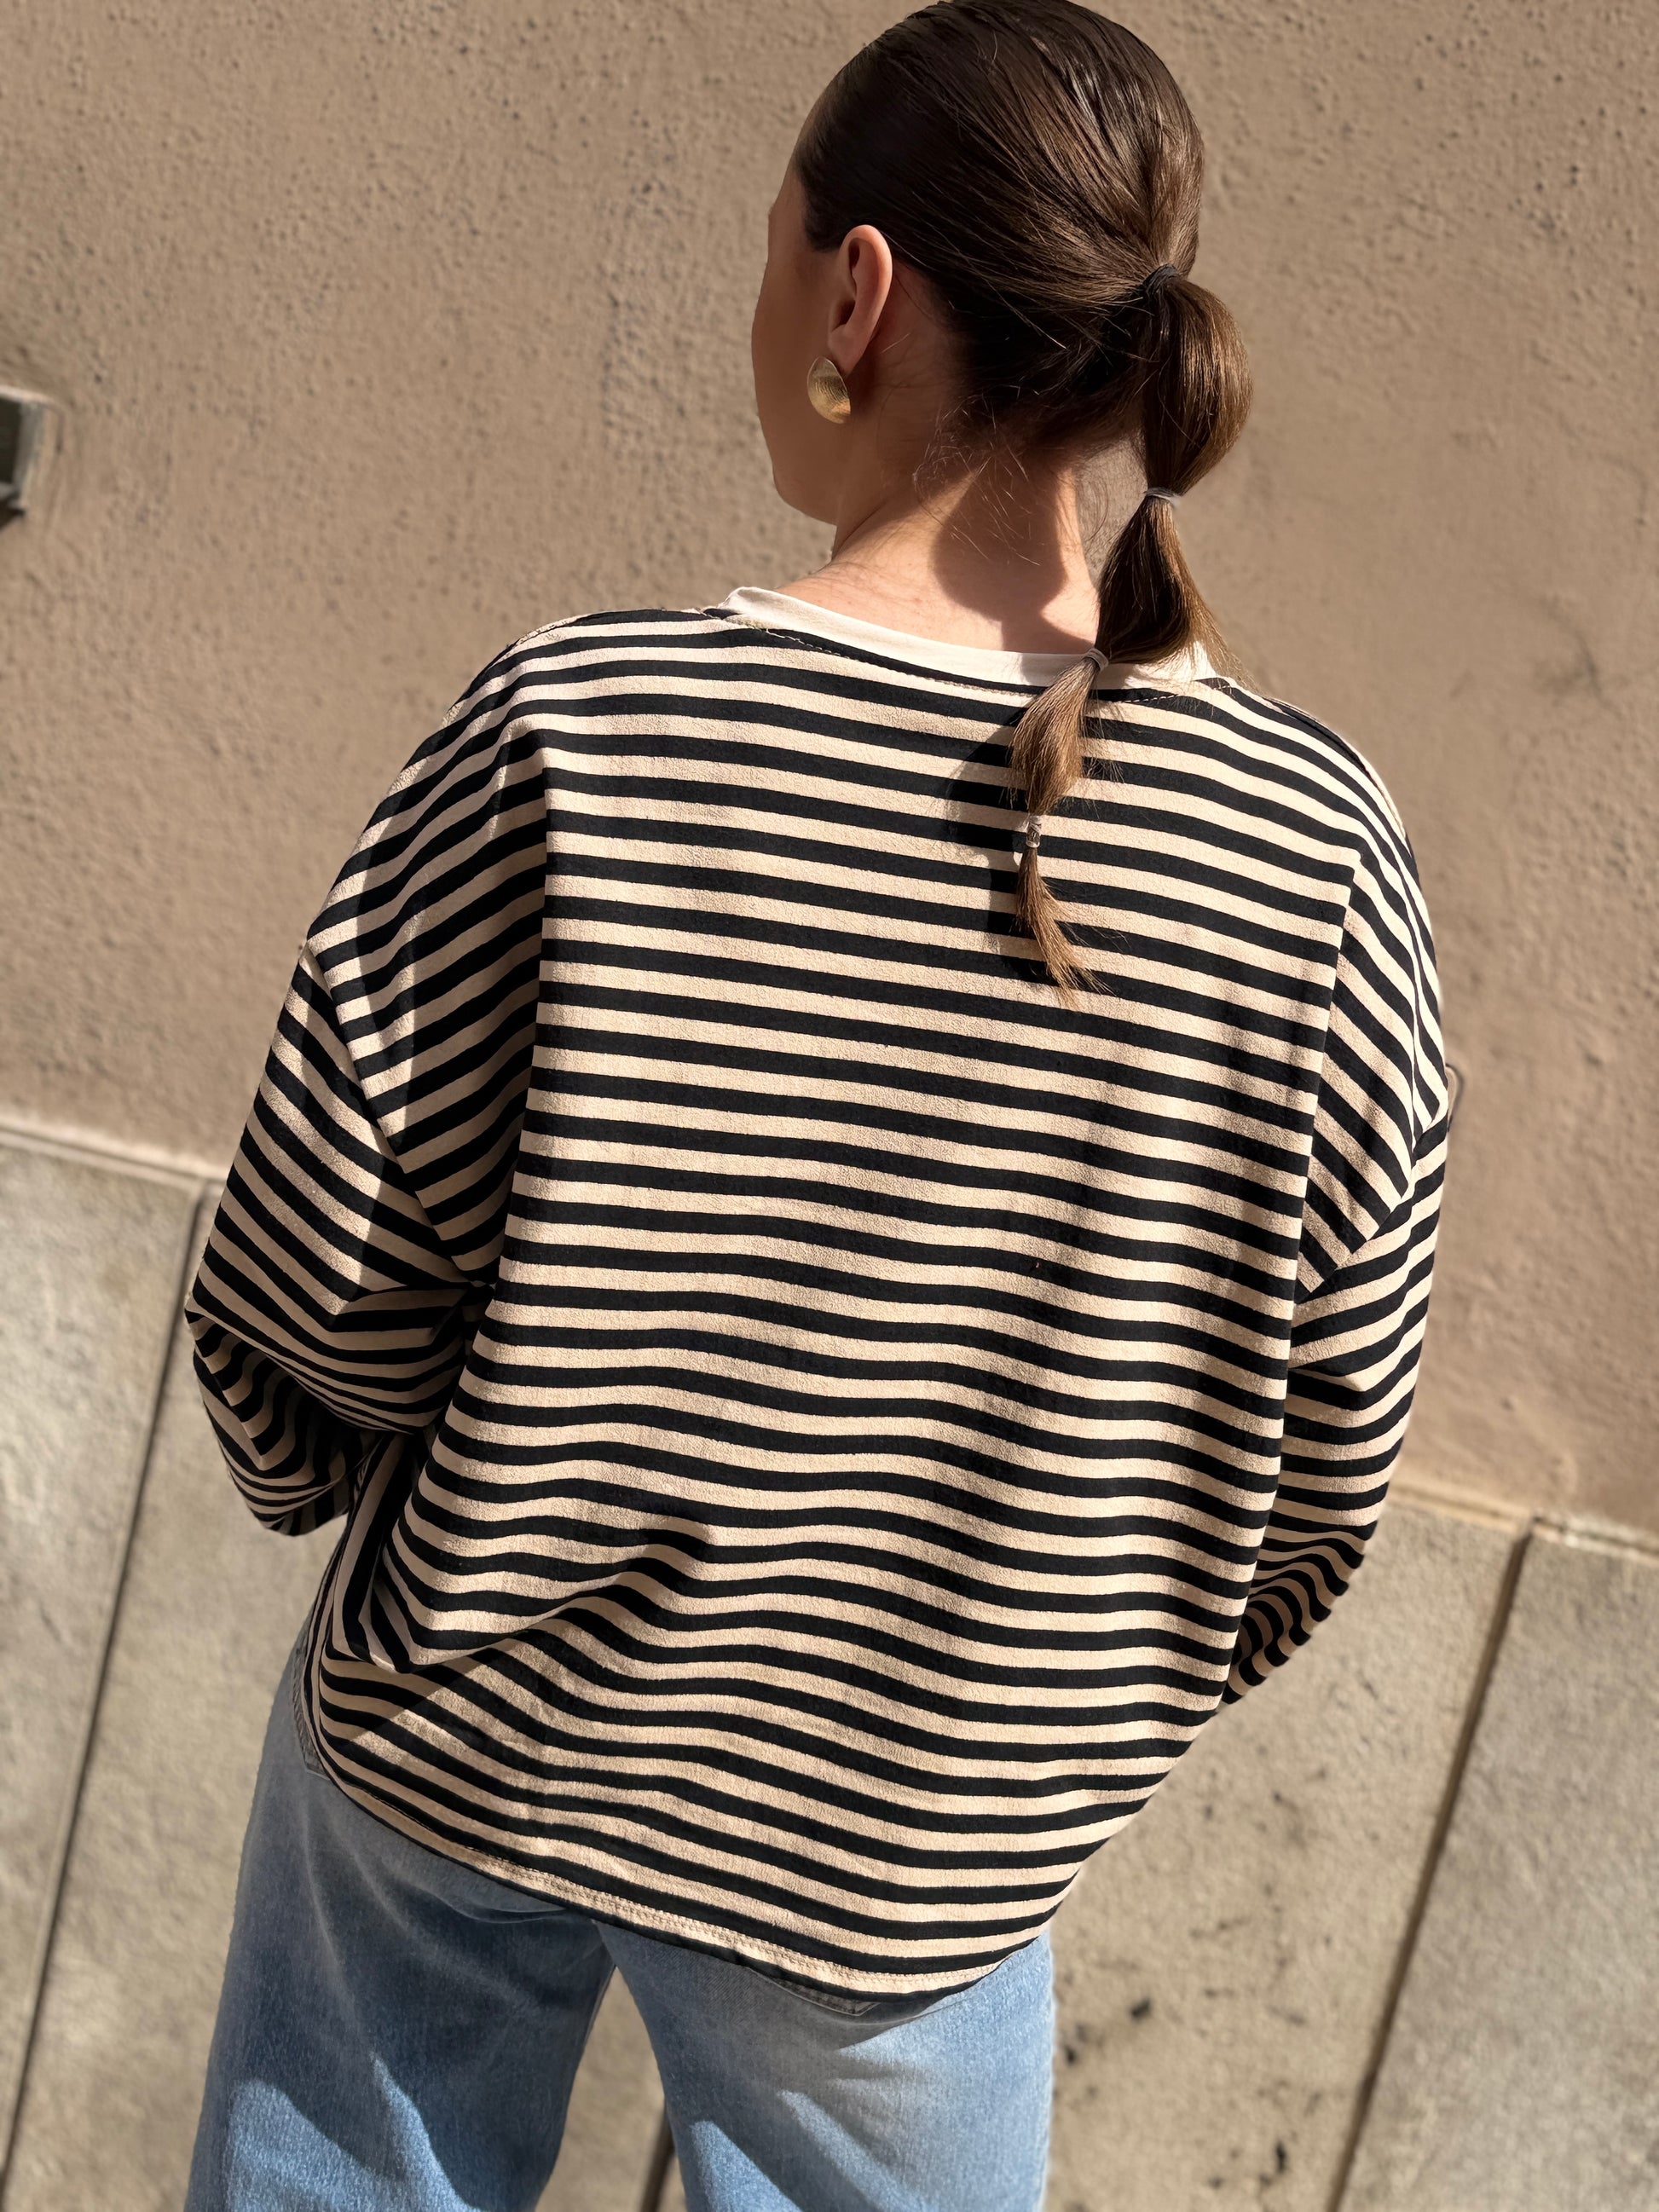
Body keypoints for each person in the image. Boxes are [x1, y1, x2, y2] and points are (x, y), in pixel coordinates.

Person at [182, 4, 1446, 2208]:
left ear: (854, 288)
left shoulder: (586, 727)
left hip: (472, 1732)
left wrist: (336, 1485)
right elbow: (1326, 1453)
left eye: (771, 245)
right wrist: (1044, 1698)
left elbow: (315, 1291)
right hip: (916, 1836)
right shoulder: (1311, 849)